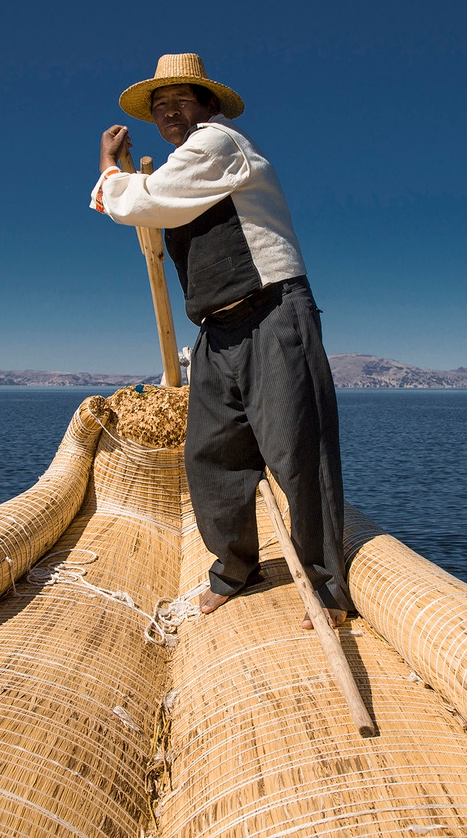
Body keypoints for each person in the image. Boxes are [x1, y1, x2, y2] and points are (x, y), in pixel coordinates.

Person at [90, 53, 352, 628]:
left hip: (272, 316)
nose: (170, 113)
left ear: (208, 106)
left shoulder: (219, 144)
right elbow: (152, 204)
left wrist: (112, 169)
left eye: (180, 101)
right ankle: (236, 569)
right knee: (211, 456)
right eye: (160, 107)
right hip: (214, 329)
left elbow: (143, 202)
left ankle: (327, 587)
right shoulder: (184, 169)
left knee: (296, 453)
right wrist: (133, 185)